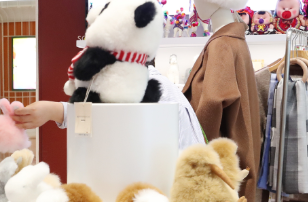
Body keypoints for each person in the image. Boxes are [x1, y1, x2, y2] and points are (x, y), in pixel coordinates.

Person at [13, 61, 206, 150]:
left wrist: (54, 110)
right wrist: (52, 111)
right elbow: (103, 115)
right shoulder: (134, 87)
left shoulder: (156, 94)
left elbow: (108, 118)